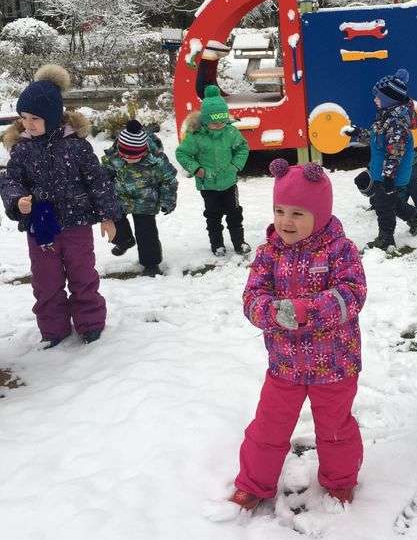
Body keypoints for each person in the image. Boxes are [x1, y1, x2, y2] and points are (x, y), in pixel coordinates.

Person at [230, 158, 367, 510]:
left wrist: (309, 310)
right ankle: (254, 483)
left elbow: (352, 293)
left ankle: (339, 482)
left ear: (319, 215)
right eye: (280, 210)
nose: (286, 221)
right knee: (268, 428)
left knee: (335, 429)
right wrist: (270, 312)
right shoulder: (268, 254)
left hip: (335, 364)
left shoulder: (340, 250)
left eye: (297, 213)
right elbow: (252, 298)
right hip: (285, 365)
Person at [0, 64, 120, 346]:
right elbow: (10, 182)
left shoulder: (75, 146)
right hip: (42, 225)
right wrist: (19, 201)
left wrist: (108, 216)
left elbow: (97, 180)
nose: (28, 123)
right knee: (46, 282)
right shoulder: (22, 148)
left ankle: (90, 323)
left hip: (76, 224)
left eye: (35, 118)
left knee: (83, 276)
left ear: (53, 117)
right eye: (24, 117)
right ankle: (53, 329)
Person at [350, 68, 417, 250]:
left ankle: (386, 239)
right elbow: (376, 138)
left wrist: (389, 178)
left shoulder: (396, 122)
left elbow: (395, 152)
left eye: (377, 96)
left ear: (389, 98)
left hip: (391, 174)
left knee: (383, 206)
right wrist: (357, 133)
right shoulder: (385, 117)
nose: (375, 99)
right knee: (387, 201)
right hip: (382, 171)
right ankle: (415, 216)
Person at [175, 85, 250, 256]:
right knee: (213, 216)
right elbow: (182, 153)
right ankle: (217, 244)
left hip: (229, 182)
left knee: (235, 214)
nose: (219, 126)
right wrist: (196, 168)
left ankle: (239, 242)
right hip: (208, 185)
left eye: (222, 121)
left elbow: (242, 148)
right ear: (205, 120)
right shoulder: (196, 136)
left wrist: (236, 165)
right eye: (214, 123)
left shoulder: (230, 132)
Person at [102, 120, 178, 276]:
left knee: (146, 233)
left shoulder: (156, 159)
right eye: (125, 156)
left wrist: (168, 200)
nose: (128, 159)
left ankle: (151, 264)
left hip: (146, 200)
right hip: (121, 196)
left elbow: (169, 180)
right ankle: (124, 241)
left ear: (143, 151)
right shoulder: (115, 156)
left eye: (134, 156)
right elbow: (105, 174)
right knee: (116, 219)